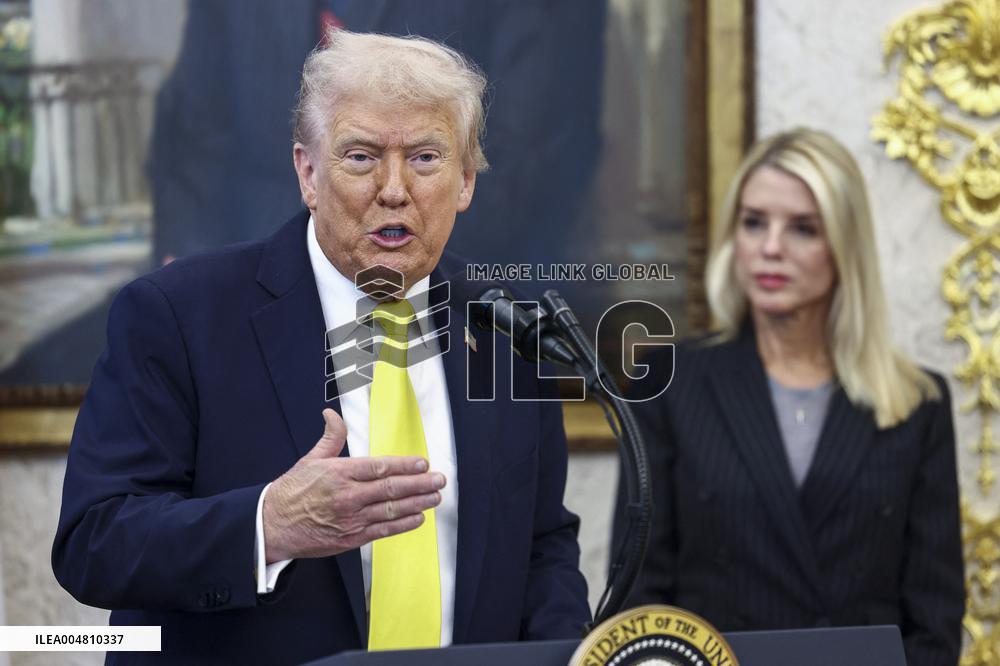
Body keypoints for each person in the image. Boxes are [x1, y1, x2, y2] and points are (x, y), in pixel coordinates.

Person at [53, 30, 589, 665]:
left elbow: (542, 546)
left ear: (466, 181)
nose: (394, 189)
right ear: (307, 172)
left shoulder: (506, 328)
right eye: (361, 157)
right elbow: (95, 541)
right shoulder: (178, 314)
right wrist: (266, 524)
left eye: (425, 158)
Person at [613, 128, 964, 666]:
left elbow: (934, 621)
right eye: (754, 222)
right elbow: (641, 598)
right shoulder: (668, 380)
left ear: (844, 246)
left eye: (803, 228)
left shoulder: (918, 402)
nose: (770, 248)